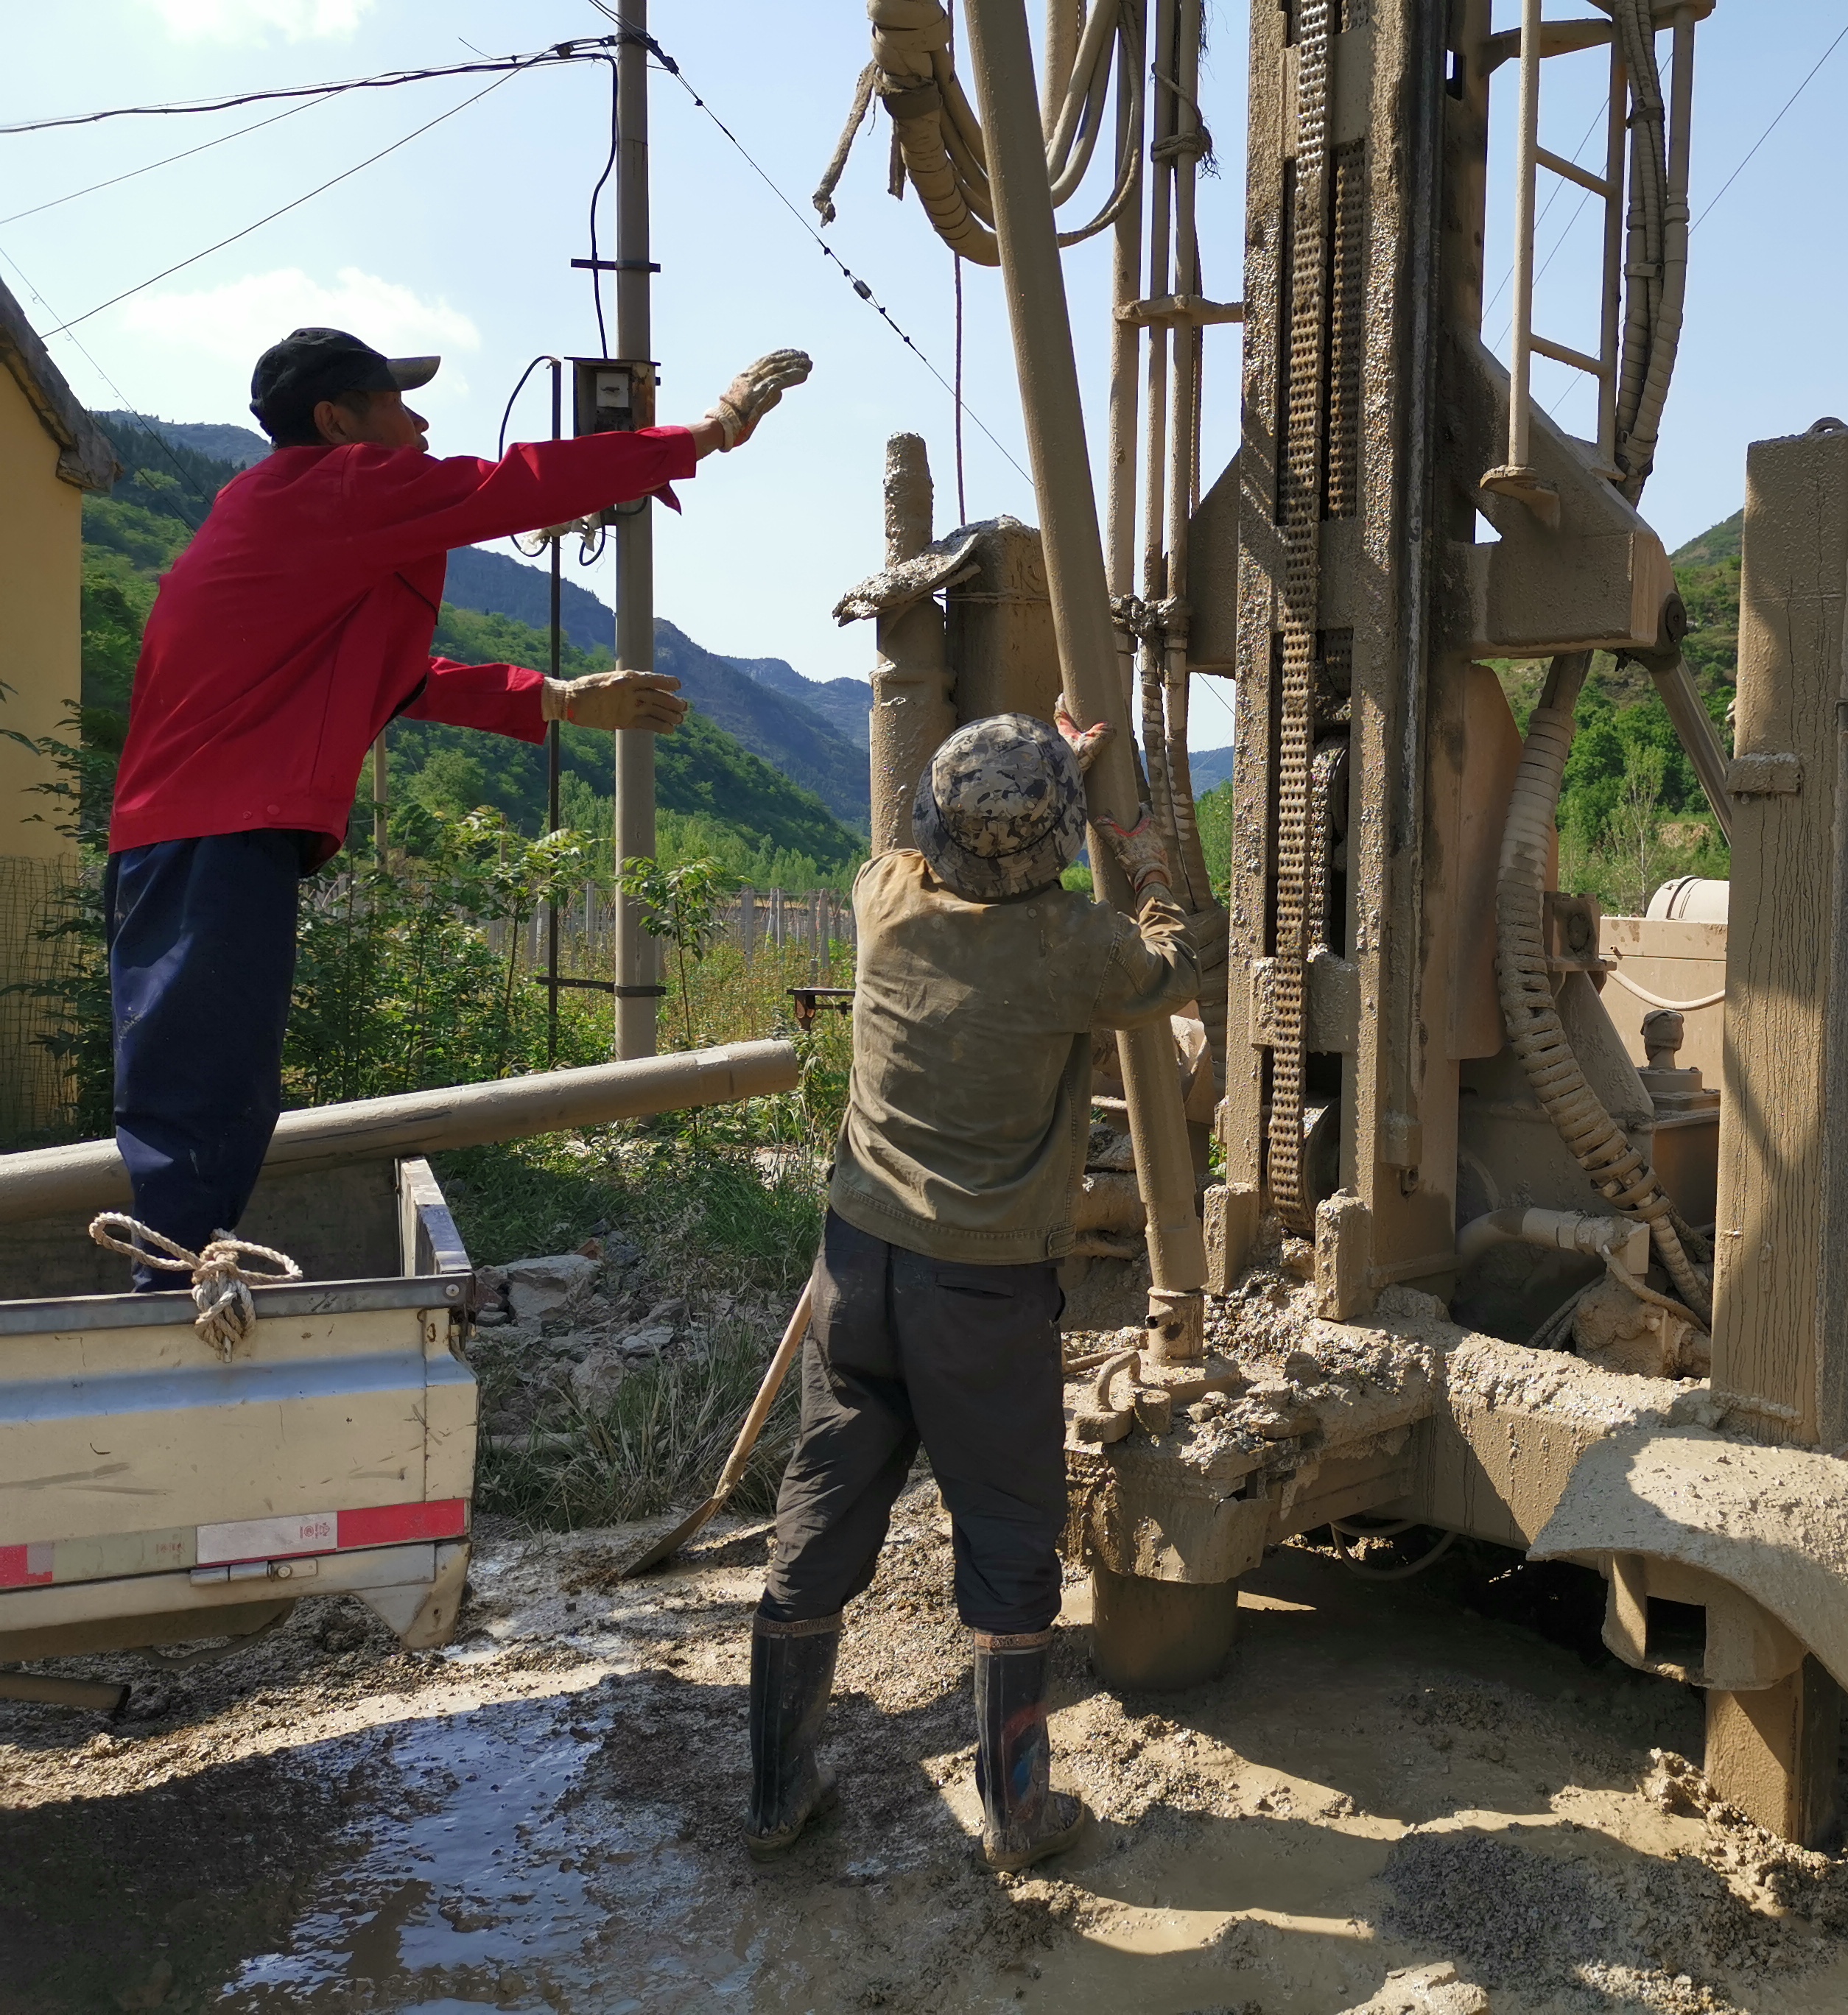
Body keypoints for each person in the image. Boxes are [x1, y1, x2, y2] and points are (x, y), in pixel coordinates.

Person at [103, 327, 809, 1284]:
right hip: (211, 835)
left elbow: (393, 677)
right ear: (336, 421)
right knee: (203, 1090)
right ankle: (171, 1308)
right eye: (396, 402)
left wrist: (551, 699)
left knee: (215, 1084)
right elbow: (509, 485)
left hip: (191, 833)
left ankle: (179, 1287)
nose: (422, 420)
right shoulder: (332, 489)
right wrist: (706, 434)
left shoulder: (291, 521)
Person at [748, 708, 1197, 1866]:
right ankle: (1018, 1814)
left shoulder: (883, 900)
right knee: (1007, 1535)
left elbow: (924, 829)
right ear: (1057, 837)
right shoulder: (1074, 948)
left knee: (823, 1507)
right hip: (981, 1295)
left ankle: (777, 1796)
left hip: (855, 1271)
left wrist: (1017, 764)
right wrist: (1128, 819)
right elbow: (1174, 954)